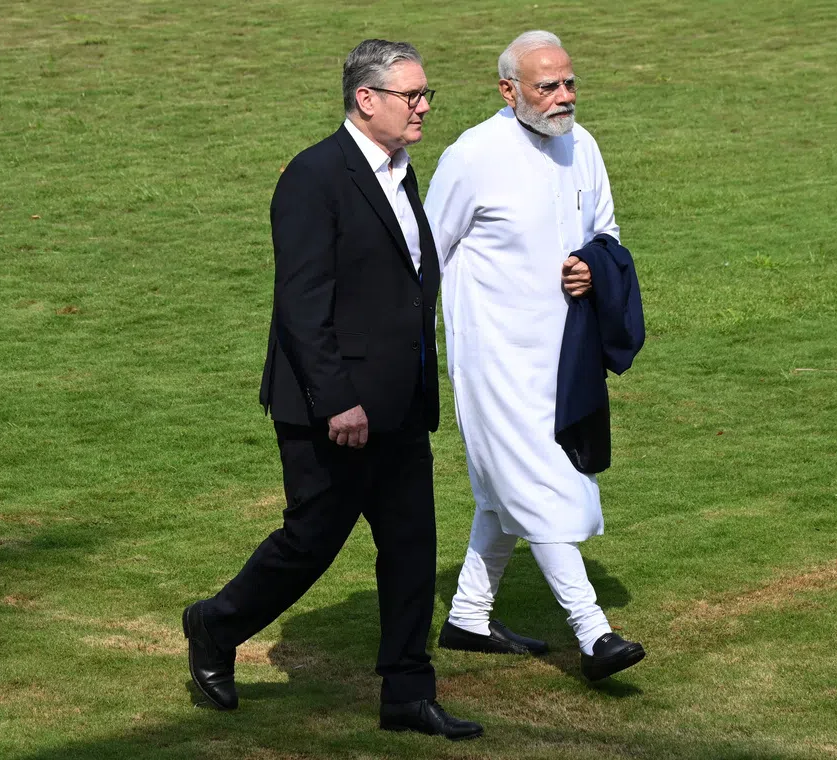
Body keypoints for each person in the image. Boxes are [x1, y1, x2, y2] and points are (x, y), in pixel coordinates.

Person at [182, 39, 483, 741]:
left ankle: (408, 693)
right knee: (310, 541)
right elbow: (302, 303)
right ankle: (214, 624)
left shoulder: (401, 172)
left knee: (410, 547)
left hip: (401, 404)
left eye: (426, 94)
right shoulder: (314, 178)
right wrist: (336, 400)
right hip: (334, 410)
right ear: (366, 99)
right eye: (414, 96)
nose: (426, 108)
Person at [424, 30, 646, 682]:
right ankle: (594, 633)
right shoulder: (473, 156)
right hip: (494, 361)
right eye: (547, 86)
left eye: (568, 82)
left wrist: (591, 270)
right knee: (545, 487)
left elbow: (606, 234)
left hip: (564, 357)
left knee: (508, 491)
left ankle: (467, 615)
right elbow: (423, 256)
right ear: (509, 90)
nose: (563, 97)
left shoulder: (584, 147)